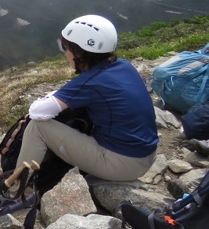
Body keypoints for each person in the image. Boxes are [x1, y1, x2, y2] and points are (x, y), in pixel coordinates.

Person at [14, 14, 158, 183]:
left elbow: (37, 112)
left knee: (38, 127)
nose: (65, 53)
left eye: (66, 48)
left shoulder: (90, 82)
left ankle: (16, 187)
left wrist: (51, 96)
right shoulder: (123, 65)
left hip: (122, 164)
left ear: (79, 51)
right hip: (146, 154)